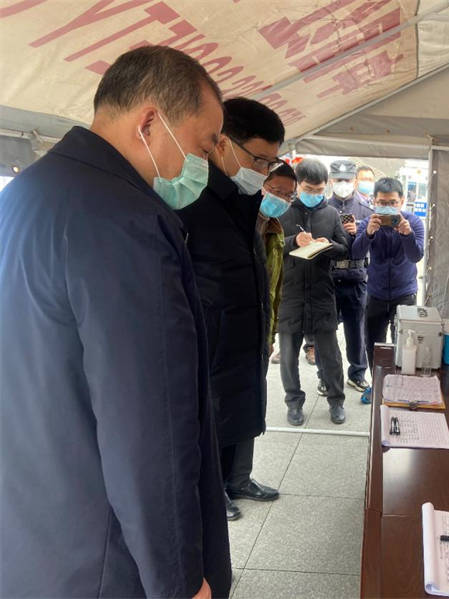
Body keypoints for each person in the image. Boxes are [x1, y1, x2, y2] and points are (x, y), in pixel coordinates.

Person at [0, 46, 230, 598]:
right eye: (202, 146)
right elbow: (148, 425)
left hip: (33, 525)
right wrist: (178, 580)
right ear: (150, 123)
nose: (203, 165)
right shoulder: (127, 222)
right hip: (105, 553)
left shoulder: (28, 192)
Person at [177, 97, 283, 522]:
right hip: (210, 345)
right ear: (222, 143)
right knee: (213, 422)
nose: (263, 171)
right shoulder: (190, 200)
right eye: (257, 159)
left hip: (244, 338)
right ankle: (214, 489)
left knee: (244, 413)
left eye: (270, 163)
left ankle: (238, 479)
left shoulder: (243, 200)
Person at [278, 159, 351, 425]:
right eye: (309, 189)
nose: (315, 194)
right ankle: (293, 403)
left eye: (320, 190)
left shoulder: (330, 214)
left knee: (330, 354)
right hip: (291, 294)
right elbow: (269, 246)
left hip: (322, 294)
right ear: (298, 185)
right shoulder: (282, 211)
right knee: (288, 356)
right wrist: (293, 241)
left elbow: (344, 248)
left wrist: (327, 244)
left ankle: (336, 400)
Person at [351, 177, 425, 373]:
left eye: (392, 202)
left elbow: (416, 256)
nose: (387, 207)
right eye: (382, 203)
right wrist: (368, 234)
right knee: (373, 345)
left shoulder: (413, 222)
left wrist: (407, 235)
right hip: (376, 293)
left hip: (405, 293)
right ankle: (377, 382)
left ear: (402, 201)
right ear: (374, 201)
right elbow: (356, 254)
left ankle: (399, 382)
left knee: (404, 345)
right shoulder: (369, 222)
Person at [327, 159, 373, 393]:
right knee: (326, 332)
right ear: (331, 181)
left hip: (356, 278)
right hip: (329, 279)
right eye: (339, 179)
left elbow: (373, 246)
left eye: (347, 179)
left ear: (355, 181)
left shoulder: (367, 211)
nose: (343, 183)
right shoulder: (323, 209)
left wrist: (359, 231)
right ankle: (326, 376)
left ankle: (357, 373)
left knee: (356, 331)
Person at [259, 161, 296, 365]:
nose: (282, 199)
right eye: (277, 191)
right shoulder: (240, 224)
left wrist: (270, 335)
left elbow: (274, 290)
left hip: (263, 330)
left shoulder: (275, 229)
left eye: (288, 195)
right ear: (261, 185)